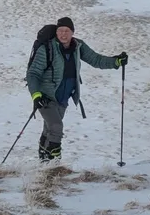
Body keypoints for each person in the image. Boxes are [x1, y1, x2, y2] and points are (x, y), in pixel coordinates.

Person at [25, 17, 127, 161]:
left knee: (49, 129)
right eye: (60, 31)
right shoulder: (47, 48)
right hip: (45, 97)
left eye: (66, 31)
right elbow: (33, 74)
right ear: (56, 32)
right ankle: (54, 165)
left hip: (63, 97)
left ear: (72, 32)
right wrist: (36, 95)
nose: (63, 34)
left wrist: (116, 62)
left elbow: (96, 60)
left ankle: (43, 162)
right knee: (56, 127)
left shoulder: (78, 46)